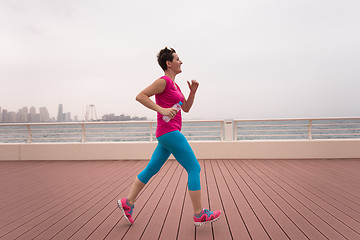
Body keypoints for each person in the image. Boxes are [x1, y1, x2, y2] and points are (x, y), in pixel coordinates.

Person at [117, 47, 221, 227]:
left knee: (151, 169)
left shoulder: (176, 86)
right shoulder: (163, 81)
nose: (181, 62)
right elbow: (140, 96)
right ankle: (199, 214)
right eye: (178, 59)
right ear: (169, 63)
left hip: (167, 134)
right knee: (194, 168)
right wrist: (162, 109)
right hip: (169, 132)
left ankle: (128, 203)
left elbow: (185, 108)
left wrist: (193, 91)